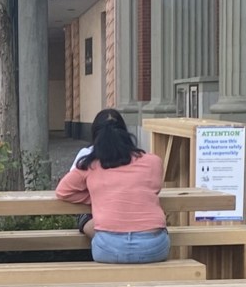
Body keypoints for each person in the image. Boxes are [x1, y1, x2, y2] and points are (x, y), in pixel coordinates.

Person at [55, 109, 170, 264]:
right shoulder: (153, 162)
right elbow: (154, 189)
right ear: (126, 133)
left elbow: (63, 191)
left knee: (86, 220)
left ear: (95, 137)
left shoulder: (89, 165)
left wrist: (98, 195)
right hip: (153, 248)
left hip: (108, 248)